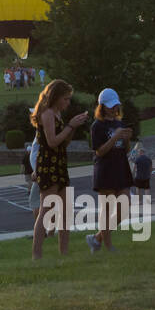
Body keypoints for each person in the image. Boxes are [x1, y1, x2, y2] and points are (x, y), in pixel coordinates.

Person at [30, 79, 90, 260]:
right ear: (56, 97)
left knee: (65, 211)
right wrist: (70, 125)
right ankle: (36, 255)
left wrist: (73, 128)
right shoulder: (47, 113)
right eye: (65, 99)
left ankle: (64, 253)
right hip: (48, 165)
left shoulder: (57, 114)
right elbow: (52, 142)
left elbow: (63, 143)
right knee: (46, 210)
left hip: (59, 163)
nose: (68, 102)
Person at [88, 88, 133, 253]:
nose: (114, 109)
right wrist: (115, 137)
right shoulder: (97, 126)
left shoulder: (119, 124)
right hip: (105, 170)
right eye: (110, 106)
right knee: (106, 211)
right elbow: (99, 151)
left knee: (125, 207)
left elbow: (125, 149)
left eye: (116, 106)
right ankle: (108, 246)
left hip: (121, 168)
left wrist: (126, 139)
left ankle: (97, 238)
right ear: (102, 107)